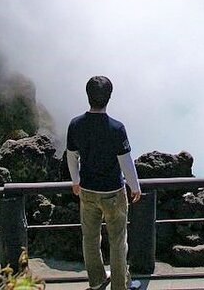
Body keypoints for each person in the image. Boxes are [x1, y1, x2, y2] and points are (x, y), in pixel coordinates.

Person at [66, 76, 142, 290]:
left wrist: (75, 181)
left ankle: (97, 280)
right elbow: (125, 161)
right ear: (109, 97)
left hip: (87, 191)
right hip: (113, 192)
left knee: (90, 238)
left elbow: (71, 156)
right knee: (118, 241)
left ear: (87, 95)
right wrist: (135, 186)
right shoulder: (116, 128)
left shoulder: (75, 124)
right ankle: (120, 285)